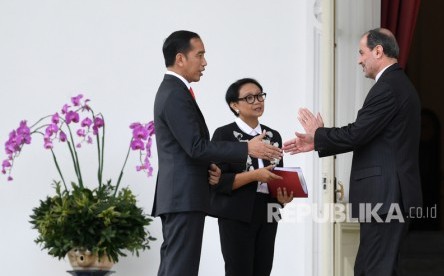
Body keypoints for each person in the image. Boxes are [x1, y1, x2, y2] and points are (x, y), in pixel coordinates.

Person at [283, 28, 422, 276]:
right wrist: (318, 140)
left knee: (374, 270)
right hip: (388, 197)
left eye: (361, 52)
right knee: (371, 268)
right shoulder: (396, 84)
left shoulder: (389, 87)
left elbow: (358, 133)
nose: (358, 59)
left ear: (378, 51)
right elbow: (364, 135)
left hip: (386, 197)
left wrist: (319, 135)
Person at [152, 31, 282, 276]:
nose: (204, 62)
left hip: (183, 195)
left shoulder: (175, 91)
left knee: (175, 267)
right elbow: (195, 146)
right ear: (180, 58)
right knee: (180, 269)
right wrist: (246, 148)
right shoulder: (174, 93)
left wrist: (209, 166)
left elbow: (190, 148)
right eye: (199, 55)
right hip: (183, 196)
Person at [209, 78, 294, 276]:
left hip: (268, 212)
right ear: (234, 105)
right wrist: (254, 175)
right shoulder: (224, 134)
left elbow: (276, 176)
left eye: (260, 95)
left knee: (263, 270)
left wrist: (281, 199)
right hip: (236, 213)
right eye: (249, 98)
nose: (257, 101)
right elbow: (218, 182)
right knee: (239, 271)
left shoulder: (273, 135)